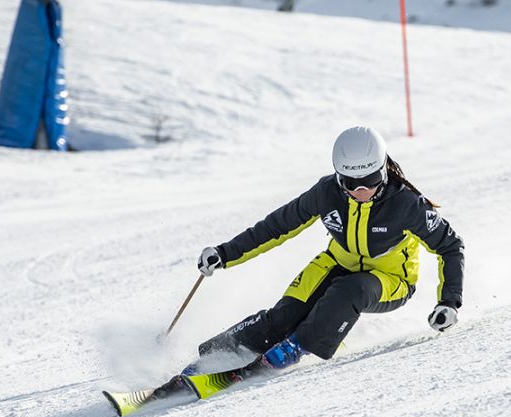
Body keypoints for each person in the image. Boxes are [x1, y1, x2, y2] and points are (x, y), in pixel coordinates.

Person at [189, 125, 465, 373]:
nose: (360, 190)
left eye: (369, 180)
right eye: (350, 183)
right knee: (282, 318)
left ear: (383, 170)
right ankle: (213, 355)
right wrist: (225, 253)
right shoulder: (327, 193)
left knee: (350, 290)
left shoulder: (406, 205)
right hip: (335, 263)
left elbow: (451, 246)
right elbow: (276, 226)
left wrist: (448, 302)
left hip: (391, 280)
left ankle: (297, 346)